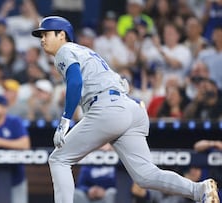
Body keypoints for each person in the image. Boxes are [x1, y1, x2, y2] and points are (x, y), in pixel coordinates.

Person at [31, 16, 220, 203]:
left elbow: (75, 82)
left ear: (62, 34)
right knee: (145, 175)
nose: (42, 40)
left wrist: (65, 120)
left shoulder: (65, 50)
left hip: (107, 107)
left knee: (59, 159)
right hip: (129, 108)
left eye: (46, 34)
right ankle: (198, 190)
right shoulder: (86, 52)